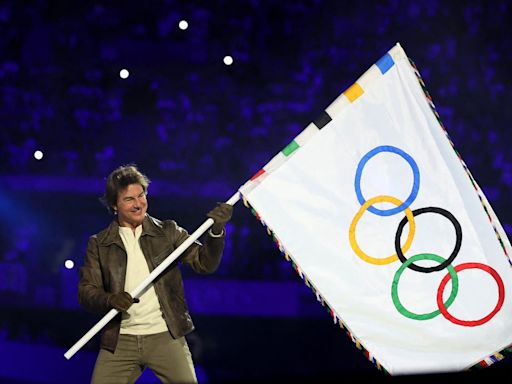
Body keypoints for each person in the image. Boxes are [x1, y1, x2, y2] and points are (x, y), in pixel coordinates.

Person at [78, 164, 233, 383]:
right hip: (120, 340)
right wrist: (110, 299)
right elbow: (86, 292)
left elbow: (204, 263)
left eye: (141, 195)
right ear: (114, 205)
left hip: (165, 335)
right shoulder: (99, 243)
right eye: (129, 199)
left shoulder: (168, 232)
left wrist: (217, 231)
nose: (138, 204)